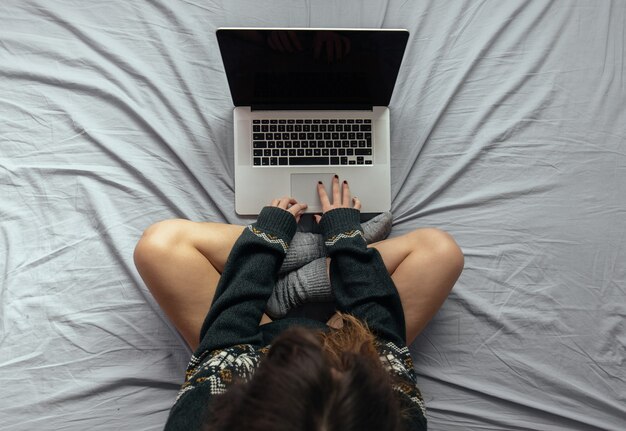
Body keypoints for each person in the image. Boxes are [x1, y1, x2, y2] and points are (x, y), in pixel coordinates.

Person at [134, 177, 463, 430]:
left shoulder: (204, 414)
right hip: (345, 339)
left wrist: (267, 239)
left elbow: (229, 330)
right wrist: (345, 238)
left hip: (255, 343)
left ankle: (292, 262)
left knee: (159, 245)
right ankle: (320, 258)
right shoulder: (396, 412)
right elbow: (379, 328)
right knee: (440, 253)